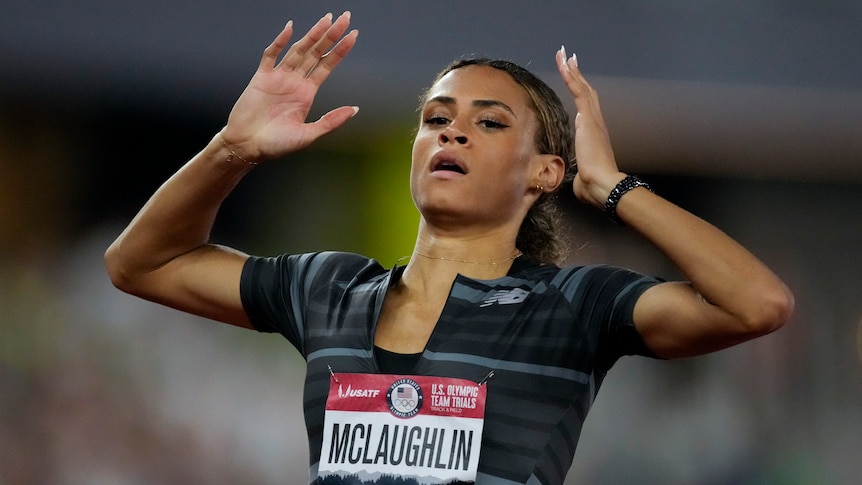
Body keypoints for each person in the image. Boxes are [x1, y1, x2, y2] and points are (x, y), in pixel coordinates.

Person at [104, 11, 794, 485]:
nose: (451, 133)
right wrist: (232, 150)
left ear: (544, 172)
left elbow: (756, 304)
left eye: (488, 123)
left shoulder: (572, 306)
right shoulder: (329, 290)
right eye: (436, 119)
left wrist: (613, 185)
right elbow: (139, 263)